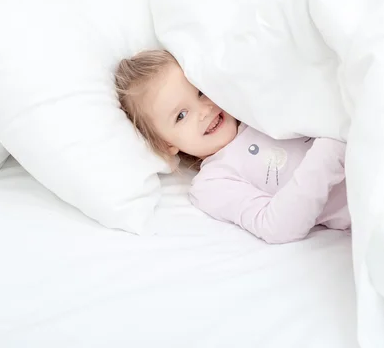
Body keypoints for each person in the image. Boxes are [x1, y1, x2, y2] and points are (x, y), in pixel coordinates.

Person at [115, 49, 350, 244]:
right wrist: (330, 150)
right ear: (167, 145)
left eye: (200, 92)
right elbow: (277, 227)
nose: (204, 110)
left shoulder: (253, 106)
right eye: (181, 115)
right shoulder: (213, 183)